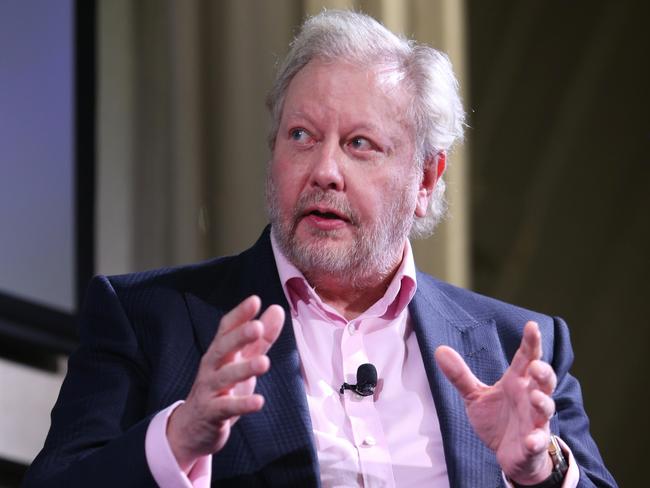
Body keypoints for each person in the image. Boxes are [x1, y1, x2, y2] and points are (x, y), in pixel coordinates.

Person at [25, 10, 616, 488]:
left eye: (360, 144)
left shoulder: (514, 350)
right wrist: (177, 438)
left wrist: (543, 472)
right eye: (301, 136)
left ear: (427, 181)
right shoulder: (150, 320)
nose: (324, 170)